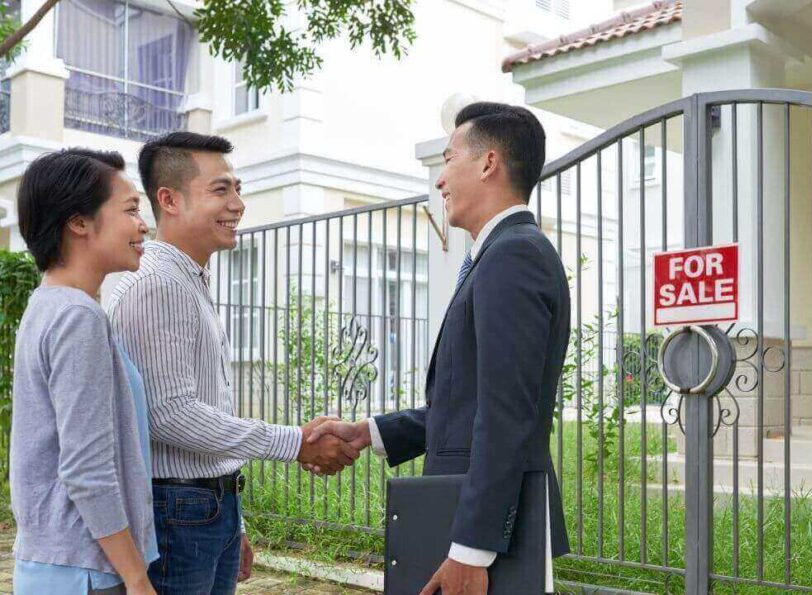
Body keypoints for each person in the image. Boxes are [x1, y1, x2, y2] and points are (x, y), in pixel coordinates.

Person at [306, 102, 571, 595]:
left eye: (449, 160)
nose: (441, 180)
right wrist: (368, 432)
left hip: (492, 542)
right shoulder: (500, 253)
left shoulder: (513, 255)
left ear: (488, 163)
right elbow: (468, 406)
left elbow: (507, 415)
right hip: (480, 529)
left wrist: (471, 550)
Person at [107, 132, 357, 594]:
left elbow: (208, 405)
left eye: (237, 189)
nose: (238, 205)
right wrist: (294, 441)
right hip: (178, 512)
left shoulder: (188, 279)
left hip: (207, 507)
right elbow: (169, 414)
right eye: (221, 190)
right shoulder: (157, 285)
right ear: (169, 200)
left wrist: (232, 520)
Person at [11, 148, 158, 594]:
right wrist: (136, 578)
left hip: (59, 564)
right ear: (78, 222)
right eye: (130, 209)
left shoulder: (48, 305)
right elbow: (86, 469)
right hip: (87, 569)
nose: (143, 225)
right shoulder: (77, 316)